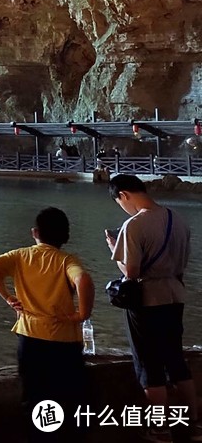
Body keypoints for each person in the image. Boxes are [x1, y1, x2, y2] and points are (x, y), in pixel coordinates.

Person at [0, 207, 94, 440]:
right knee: (70, 396)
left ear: (35, 232)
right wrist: (81, 315)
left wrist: (8, 298)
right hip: (63, 341)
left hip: (30, 337)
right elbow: (83, 279)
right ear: (66, 236)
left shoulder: (20, 256)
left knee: (35, 396)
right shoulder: (67, 260)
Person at [106, 174, 196, 439]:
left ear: (123, 195)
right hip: (174, 295)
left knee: (149, 365)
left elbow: (131, 272)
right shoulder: (178, 219)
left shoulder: (134, 225)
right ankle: (191, 423)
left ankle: (160, 428)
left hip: (146, 300)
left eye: (119, 201)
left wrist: (115, 250)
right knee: (176, 360)